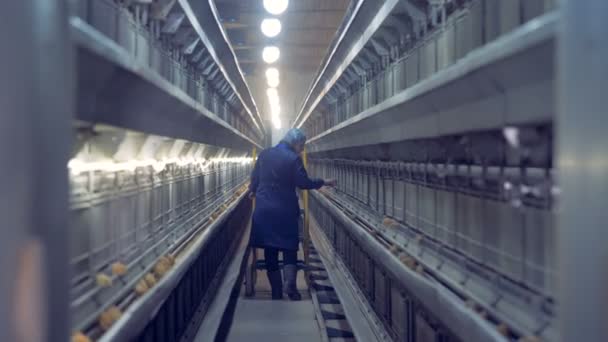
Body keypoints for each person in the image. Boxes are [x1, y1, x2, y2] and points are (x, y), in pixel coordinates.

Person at [249, 128, 336, 300]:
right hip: (285, 210)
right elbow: (303, 183)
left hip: (264, 210)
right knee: (289, 247)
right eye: (301, 146)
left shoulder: (265, 154)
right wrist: (323, 182)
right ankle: (291, 286)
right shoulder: (293, 159)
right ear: (295, 143)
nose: (302, 150)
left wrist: (253, 191)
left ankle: (276, 290)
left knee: (270, 249)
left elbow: (255, 178)